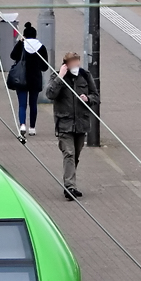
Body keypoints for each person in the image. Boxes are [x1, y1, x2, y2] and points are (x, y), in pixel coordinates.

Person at [46, 50, 99, 201]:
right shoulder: (58, 77)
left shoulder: (85, 76)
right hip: (65, 124)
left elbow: (96, 96)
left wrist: (88, 98)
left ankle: (70, 182)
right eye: (72, 63)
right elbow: (50, 94)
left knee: (75, 155)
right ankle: (70, 187)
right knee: (68, 153)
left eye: (77, 62)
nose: (75, 66)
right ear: (66, 65)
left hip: (81, 124)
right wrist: (60, 76)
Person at [10, 22, 48, 137]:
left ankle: (22, 125)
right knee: (33, 104)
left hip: (21, 79)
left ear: (24, 35)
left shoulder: (22, 45)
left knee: (22, 104)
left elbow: (12, 56)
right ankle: (32, 127)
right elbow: (45, 67)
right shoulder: (41, 47)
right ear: (35, 35)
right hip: (35, 79)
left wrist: (20, 42)